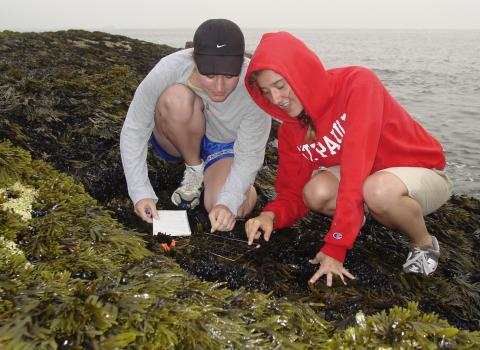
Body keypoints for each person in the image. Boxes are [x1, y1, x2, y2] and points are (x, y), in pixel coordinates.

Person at [244, 31, 453, 287]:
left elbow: (355, 168)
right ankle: (360, 215)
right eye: (266, 92)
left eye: (280, 85)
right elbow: (292, 193)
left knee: (377, 190)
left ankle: (425, 244)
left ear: (301, 73)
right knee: (315, 192)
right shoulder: (291, 130)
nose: (276, 99)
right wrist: (270, 216)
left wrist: (337, 244)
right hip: (369, 180)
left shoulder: (357, 84)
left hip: (420, 171)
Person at [120, 19, 271, 232]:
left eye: (229, 76)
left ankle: (246, 189)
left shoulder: (254, 87)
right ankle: (194, 170)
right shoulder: (171, 66)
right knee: (175, 98)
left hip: (225, 146)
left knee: (218, 204)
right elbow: (135, 127)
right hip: (180, 134)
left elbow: (250, 154)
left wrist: (228, 202)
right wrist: (140, 192)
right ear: (194, 59)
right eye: (209, 75)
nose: (219, 87)